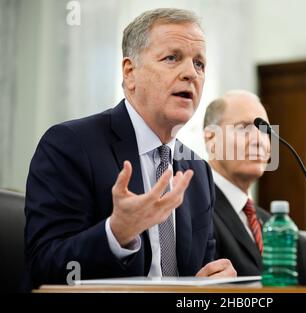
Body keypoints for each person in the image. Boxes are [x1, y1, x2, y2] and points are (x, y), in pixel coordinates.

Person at [24, 8, 235, 289]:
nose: (190, 74)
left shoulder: (198, 170)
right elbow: (44, 266)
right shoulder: (70, 144)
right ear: (130, 72)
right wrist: (117, 233)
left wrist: (211, 281)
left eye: (199, 64)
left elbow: (196, 274)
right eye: (172, 58)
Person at [203, 90, 271, 276]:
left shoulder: (273, 224)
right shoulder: (193, 210)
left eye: (264, 130)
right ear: (211, 139)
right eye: (243, 128)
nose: (258, 140)